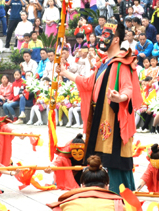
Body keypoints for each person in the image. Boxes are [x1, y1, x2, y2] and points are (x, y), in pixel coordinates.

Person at [59, 17, 144, 194]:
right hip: (99, 115)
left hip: (113, 116)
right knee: (99, 156)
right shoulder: (103, 63)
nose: (101, 38)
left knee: (114, 158)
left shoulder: (122, 62)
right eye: (102, 33)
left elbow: (128, 87)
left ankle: (119, 193)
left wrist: (120, 97)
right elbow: (88, 83)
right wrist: (65, 73)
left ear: (115, 39)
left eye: (106, 34)